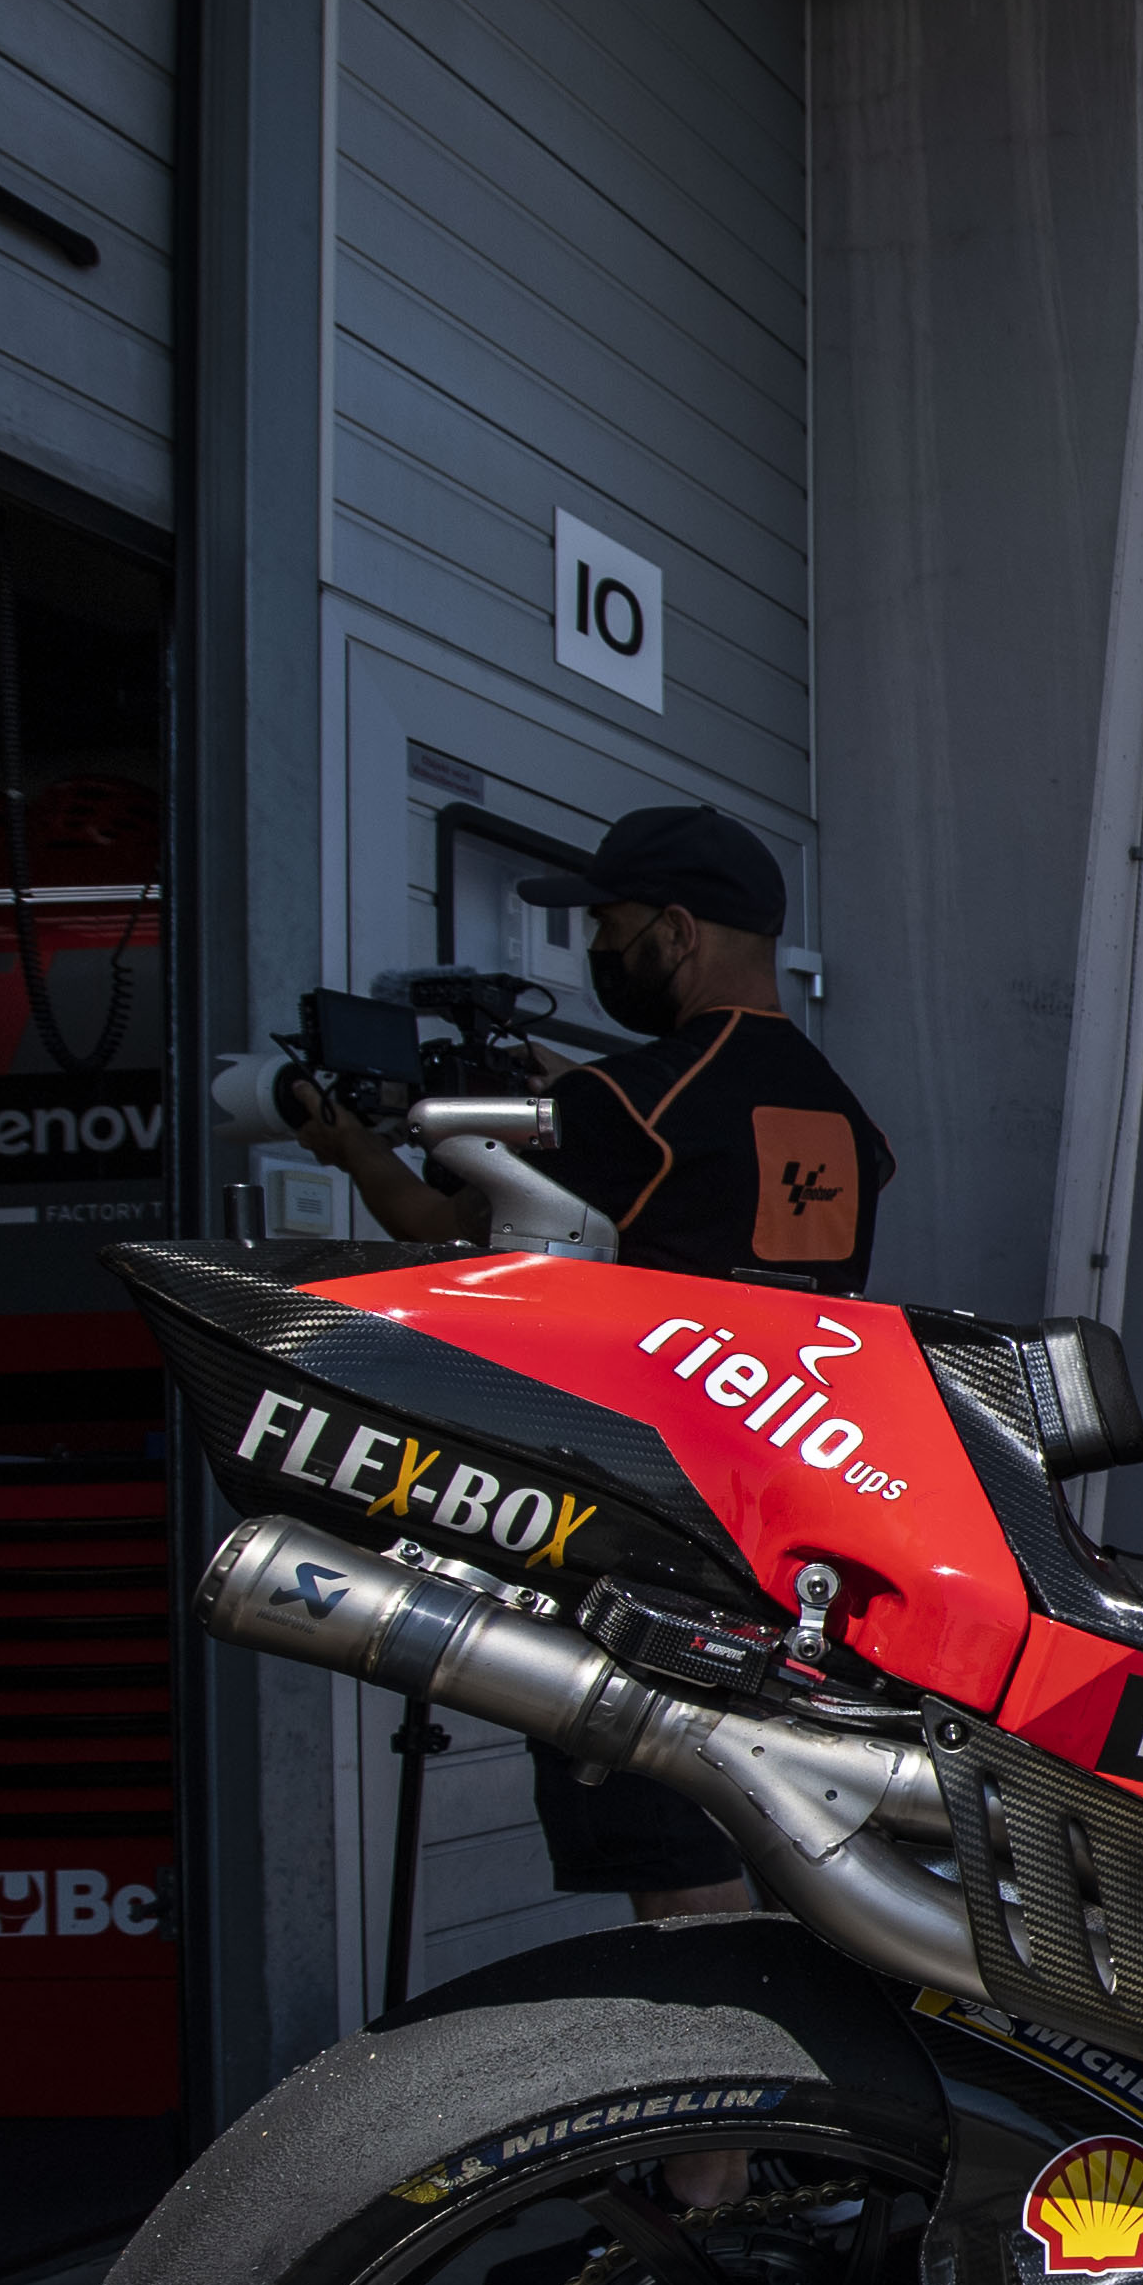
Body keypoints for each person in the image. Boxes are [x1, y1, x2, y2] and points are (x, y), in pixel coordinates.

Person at [292, 800, 894, 1928]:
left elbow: (441, 1226)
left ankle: (722, 2038)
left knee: (666, 1840)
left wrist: (351, 1145)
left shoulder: (625, 1106)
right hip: (794, 1503)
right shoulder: (839, 1110)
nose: (600, 951)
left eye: (609, 927)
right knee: (780, 1819)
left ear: (676, 929)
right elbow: (699, 1148)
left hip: (647, 1518)